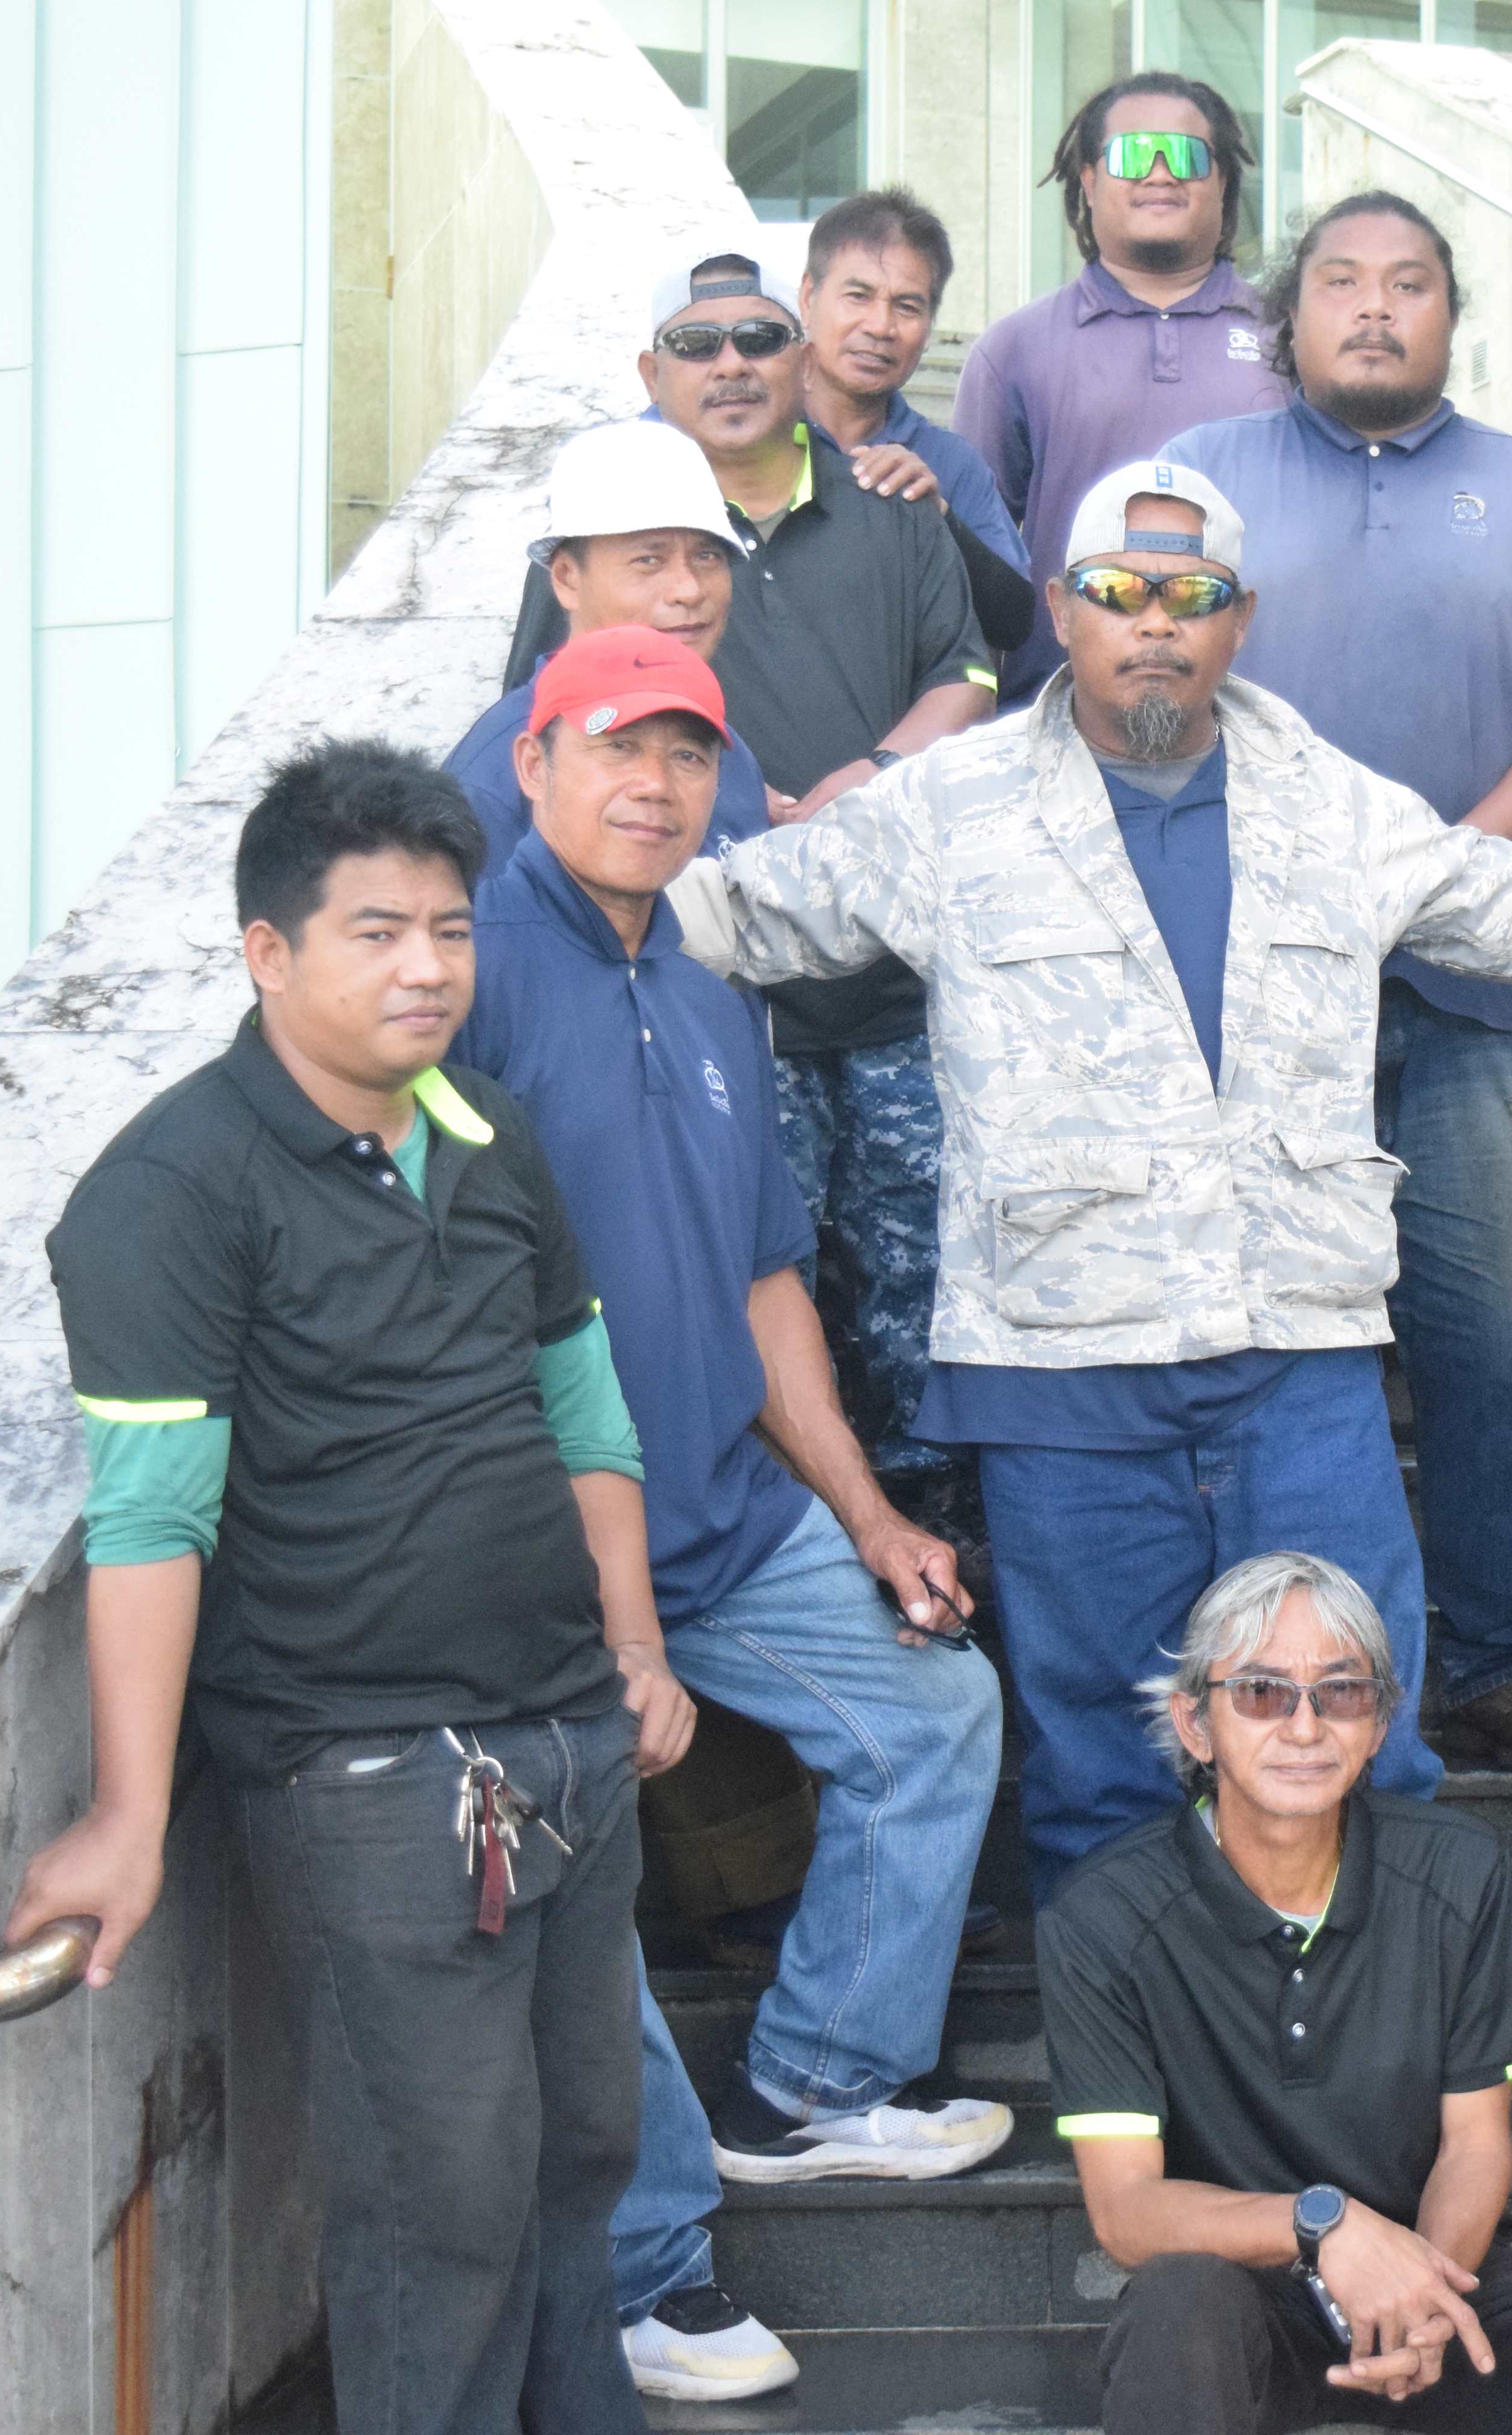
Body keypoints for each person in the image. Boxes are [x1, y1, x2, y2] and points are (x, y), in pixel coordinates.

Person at [661, 461, 1512, 1899]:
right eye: (1117, 592)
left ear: (1239, 620)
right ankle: (1133, 2101)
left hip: (1296, 1360)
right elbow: (730, 916)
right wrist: (493, 937)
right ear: (1064, 609)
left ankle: (1361, 2064)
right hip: (1062, 1371)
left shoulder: (1332, 802)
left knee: (1359, 1731)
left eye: (1189, 595)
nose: (1153, 622)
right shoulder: (948, 808)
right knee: (1104, 1767)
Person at [9, 741, 697, 2435]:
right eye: (378, 933)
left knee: (580, 2153)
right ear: (269, 953)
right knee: (438, 2198)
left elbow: (582, 1410)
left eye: (451, 933)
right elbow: (152, 1525)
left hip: (563, 1741)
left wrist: (634, 1650)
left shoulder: (487, 1131)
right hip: (371, 1771)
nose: (427, 970)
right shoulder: (172, 1190)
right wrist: (130, 1814)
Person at [448, 626, 1018, 2406]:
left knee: (937, 1706)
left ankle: (823, 2081)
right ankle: (645, 2263)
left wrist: (859, 1511)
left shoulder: (700, 975)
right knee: (575, 1862)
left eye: (689, 754)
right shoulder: (470, 974)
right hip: (531, 1544)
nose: (655, 783)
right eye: (615, 746)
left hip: (718, 1511)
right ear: (531, 767)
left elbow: (769, 1279)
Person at [1163, 194, 1512, 1776]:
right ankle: (1235, 1660)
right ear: (1287, 315)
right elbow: (1136, 687)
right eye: (1343, 284)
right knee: (1236, 1333)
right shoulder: (1203, 487)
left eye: (1412, 285)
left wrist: (1443, 871)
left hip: (1478, 1003)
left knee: (1484, 1333)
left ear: (1454, 314)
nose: (1376, 309)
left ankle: (1500, 1659)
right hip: (1250, 1002)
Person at [512, 243, 1007, 1525]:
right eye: (699, 343)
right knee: (748, 1281)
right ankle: (806, 1534)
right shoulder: (586, 596)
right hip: (717, 1020)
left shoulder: (897, 505)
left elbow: (981, 671)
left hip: (892, 989)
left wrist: (869, 778)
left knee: (914, 1287)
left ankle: (919, 1539)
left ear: (801, 358)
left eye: (758, 338)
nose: (731, 364)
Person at [1039, 1552, 1512, 2433]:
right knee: (1176, 2299)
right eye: (1260, 1693)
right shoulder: (1103, 1916)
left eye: (1341, 1692)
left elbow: (1474, 2145)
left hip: (1435, 2276)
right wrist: (1324, 2227)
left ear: (1380, 1721)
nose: (1305, 1726)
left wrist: (1420, 2297)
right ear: (1195, 1725)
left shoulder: (1458, 1871)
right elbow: (1127, 2215)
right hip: (1246, 2302)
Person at [956, 72, 1288, 698]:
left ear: (1223, 181)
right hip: (1064, 721)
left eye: (1186, 156)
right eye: (1134, 154)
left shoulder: (1288, 340)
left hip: (1265, 718)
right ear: (1088, 179)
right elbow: (974, 571)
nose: (1160, 174)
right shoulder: (1015, 350)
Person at [447, 420, 774, 874]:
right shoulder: (496, 776)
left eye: (707, 557)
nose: (689, 589)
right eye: (649, 560)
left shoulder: (726, 749)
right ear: (566, 578)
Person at [790, 190, 1041, 647]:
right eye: (858, 296)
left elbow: (1014, 624)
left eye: (907, 307)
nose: (881, 326)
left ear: (929, 328)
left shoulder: (949, 463)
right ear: (808, 297)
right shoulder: (752, 433)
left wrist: (937, 519)